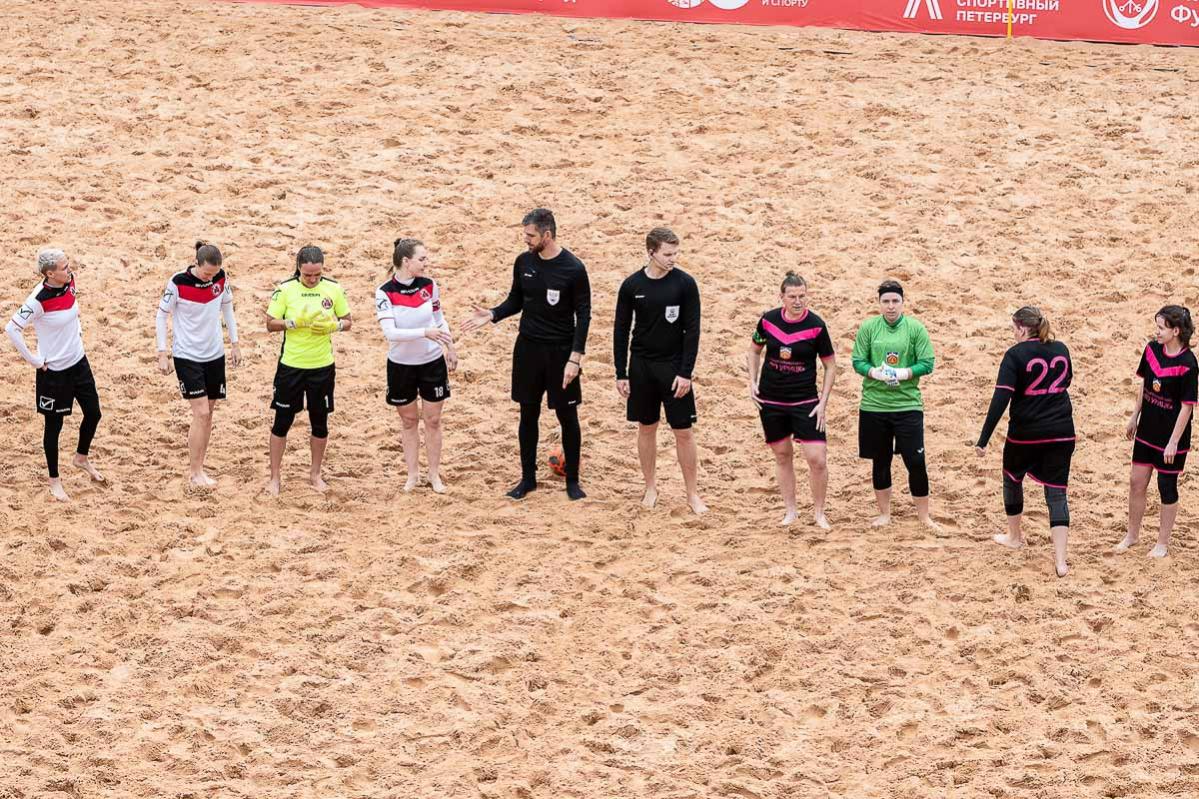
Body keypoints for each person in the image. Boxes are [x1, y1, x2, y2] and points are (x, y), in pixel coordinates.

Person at [462, 208, 591, 501]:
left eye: (531, 235)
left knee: (567, 415)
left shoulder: (573, 268)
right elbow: (516, 300)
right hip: (528, 349)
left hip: (560, 352)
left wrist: (575, 358)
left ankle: (573, 481)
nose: (526, 240)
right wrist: (493, 314)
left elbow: (584, 315)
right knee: (527, 414)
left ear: (547, 235)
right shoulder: (523, 262)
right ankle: (528, 479)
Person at [975, 307, 1075, 578]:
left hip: (1026, 434)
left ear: (1021, 328)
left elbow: (1000, 399)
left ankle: (1014, 536)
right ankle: (1061, 561)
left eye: (1013, 329)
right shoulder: (1061, 349)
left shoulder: (1015, 355)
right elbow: (1067, 381)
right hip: (1062, 432)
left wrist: (983, 439)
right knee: (1057, 493)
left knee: (1012, 478)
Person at [613, 227, 706, 514]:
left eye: (676, 253)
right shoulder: (632, 286)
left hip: (673, 366)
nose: (673, 259)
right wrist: (621, 373)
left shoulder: (685, 284)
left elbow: (692, 331)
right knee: (646, 427)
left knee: (683, 431)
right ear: (651, 252)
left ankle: (692, 494)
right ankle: (650, 487)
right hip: (641, 365)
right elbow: (620, 331)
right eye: (667, 254)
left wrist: (686, 372)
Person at [5, 249, 104, 501]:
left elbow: (74, 310)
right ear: (50, 273)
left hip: (79, 362)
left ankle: (81, 458)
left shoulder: (70, 282)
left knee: (94, 413)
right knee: (54, 427)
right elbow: (12, 329)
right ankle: (54, 481)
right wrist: (35, 360)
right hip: (54, 373)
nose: (69, 270)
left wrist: (78, 333)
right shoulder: (38, 300)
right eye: (64, 267)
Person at [748, 272, 838, 528]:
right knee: (782, 455)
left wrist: (823, 401)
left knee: (817, 459)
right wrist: (752, 381)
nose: (798, 301)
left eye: (802, 296)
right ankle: (791, 511)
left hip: (805, 400)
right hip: (771, 399)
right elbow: (754, 350)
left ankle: (819, 513)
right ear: (782, 297)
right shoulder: (768, 320)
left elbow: (830, 365)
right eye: (792, 296)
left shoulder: (816, 325)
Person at [264, 246, 352, 495]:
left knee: (320, 423)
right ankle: (275, 477)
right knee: (282, 422)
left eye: (317, 275)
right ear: (298, 269)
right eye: (307, 275)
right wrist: (292, 323)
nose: (312, 279)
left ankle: (315, 474)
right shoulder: (285, 289)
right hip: (291, 366)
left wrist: (334, 326)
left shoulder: (333, 288)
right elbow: (270, 323)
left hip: (322, 366)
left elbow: (348, 321)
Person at [851, 279, 938, 528]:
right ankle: (885, 514)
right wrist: (874, 372)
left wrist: (904, 373)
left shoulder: (915, 328)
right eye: (886, 301)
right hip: (874, 405)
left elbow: (927, 363)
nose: (891, 306)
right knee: (881, 461)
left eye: (895, 301)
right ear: (879, 303)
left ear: (903, 302)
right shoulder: (869, 328)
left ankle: (924, 516)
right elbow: (858, 361)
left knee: (915, 461)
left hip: (907, 405)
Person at [156, 241, 242, 487]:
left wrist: (235, 343)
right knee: (201, 412)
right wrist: (162, 352)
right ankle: (195, 473)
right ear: (196, 263)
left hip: (214, 354)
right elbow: (161, 315)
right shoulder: (178, 282)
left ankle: (200, 467)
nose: (210, 278)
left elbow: (227, 308)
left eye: (214, 274)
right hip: (187, 355)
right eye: (206, 273)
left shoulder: (220, 278)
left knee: (208, 414)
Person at [376, 238, 457, 493]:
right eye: (422, 259)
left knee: (433, 420)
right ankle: (412, 475)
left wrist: (450, 347)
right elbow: (391, 333)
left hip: (431, 362)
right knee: (409, 421)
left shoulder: (429, 285)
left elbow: (439, 319)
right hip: (401, 365)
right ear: (406, 261)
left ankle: (434, 474)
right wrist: (425, 332)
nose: (426, 263)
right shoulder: (385, 292)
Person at [1116, 306, 1197, 559]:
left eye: (1161, 328)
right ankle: (1132, 535)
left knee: (1166, 486)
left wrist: (1173, 442)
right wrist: (1134, 416)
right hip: (1147, 430)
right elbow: (1145, 384)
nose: (1157, 332)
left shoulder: (1188, 364)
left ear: (1176, 331)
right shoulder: (1151, 349)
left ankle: (1162, 543)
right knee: (1136, 482)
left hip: (1171, 437)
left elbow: (1187, 407)